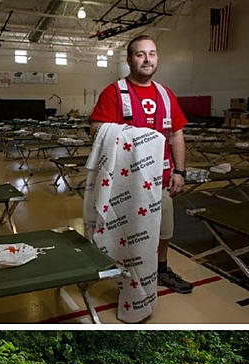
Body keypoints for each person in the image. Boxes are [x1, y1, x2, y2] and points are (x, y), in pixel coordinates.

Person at [89, 34, 193, 294]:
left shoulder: (166, 95)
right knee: (125, 228)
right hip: (125, 179)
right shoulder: (114, 92)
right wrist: (132, 135)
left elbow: (177, 133)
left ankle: (161, 269)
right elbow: (96, 129)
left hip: (160, 177)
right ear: (129, 59)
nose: (147, 59)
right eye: (140, 54)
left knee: (164, 227)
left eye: (152, 53)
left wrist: (179, 171)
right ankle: (126, 271)